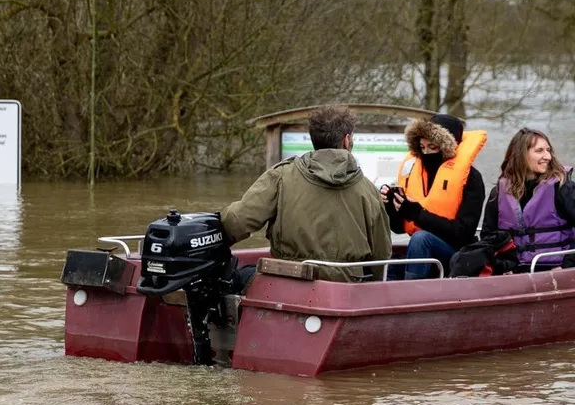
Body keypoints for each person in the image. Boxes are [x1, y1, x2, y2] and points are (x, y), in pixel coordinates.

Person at [221, 105, 392, 284]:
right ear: (347, 140)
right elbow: (381, 255)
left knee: (239, 277)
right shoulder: (369, 190)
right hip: (347, 285)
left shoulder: (280, 177)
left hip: (288, 280)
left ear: (313, 139)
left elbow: (236, 222)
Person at [380, 114, 486, 279]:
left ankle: (413, 296)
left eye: (432, 147)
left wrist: (417, 214)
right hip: (420, 249)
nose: (426, 152)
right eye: (422, 147)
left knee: (421, 238)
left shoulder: (471, 178)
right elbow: (399, 228)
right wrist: (391, 206)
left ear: (446, 147)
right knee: (389, 267)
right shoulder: (415, 171)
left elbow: (463, 232)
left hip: (456, 254)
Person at [481, 127, 575, 271]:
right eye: (539, 151)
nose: (548, 156)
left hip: (556, 270)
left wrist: (566, 265)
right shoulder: (499, 193)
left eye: (548, 150)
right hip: (513, 271)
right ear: (521, 155)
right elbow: (488, 237)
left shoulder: (562, 188)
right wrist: (500, 267)